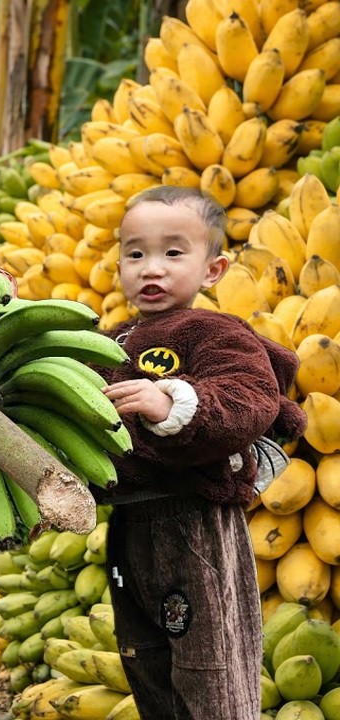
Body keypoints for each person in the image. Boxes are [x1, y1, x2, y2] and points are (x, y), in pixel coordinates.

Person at [95, 185, 306, 719]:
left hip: (194, 523)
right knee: (147, 662)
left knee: (210, 669)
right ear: (119, 265)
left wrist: (173, 403)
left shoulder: (212, 331)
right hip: (130, 527)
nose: (151, 268)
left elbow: (250, 397)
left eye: (173, 252)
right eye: (135, 253)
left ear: (213, 270)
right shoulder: (109, 342)